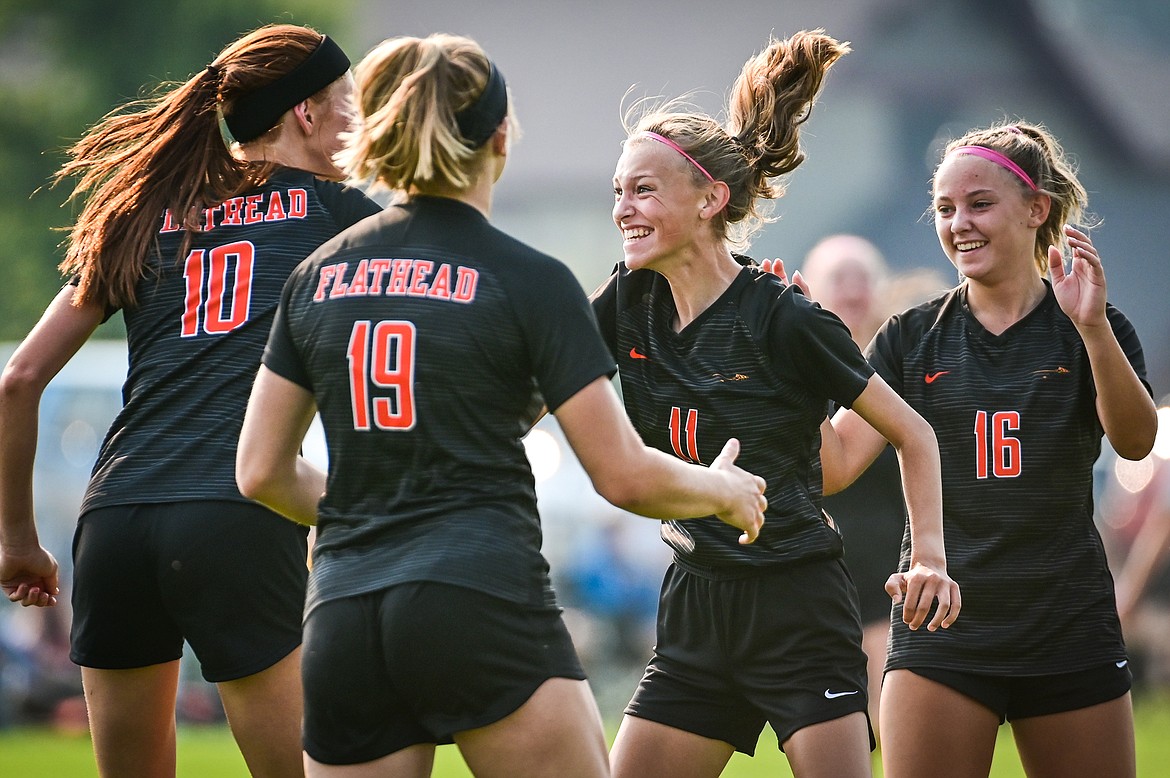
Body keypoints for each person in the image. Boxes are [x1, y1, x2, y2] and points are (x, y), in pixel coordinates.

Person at [233, 33, 767, 778]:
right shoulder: (530, 279)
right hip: (478, 595)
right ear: (499, 138)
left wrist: (369, 512)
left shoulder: (318, 274)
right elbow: (624, 478)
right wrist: (725, 489)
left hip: (345, 612)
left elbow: (259, 472)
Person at [0, 24, 382, 777]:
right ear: (306, 113)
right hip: (235, 510)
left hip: (113, 520)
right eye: (349, 103)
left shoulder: (144, 212)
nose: (356, 123)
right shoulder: (341, 213)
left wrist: (16, 540)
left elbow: (16, 381)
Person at [592, 31, 960, 778]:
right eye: (618, 192)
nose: (623, 209)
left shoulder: (785, 317)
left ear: (710, 200)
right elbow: (536, 375)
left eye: (643, 190)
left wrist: (929, 558)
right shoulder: (626, 302)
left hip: (797, 606)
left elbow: (915, 435)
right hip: (695, 602)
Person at [824, 120, 1158, 778]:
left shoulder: (1092, 324)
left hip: (1066, 621)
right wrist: (799, 366)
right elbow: (832, 466)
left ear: (1037, 210)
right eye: (945, 208)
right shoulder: (911, 337)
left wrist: (1091, 329)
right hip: (942, 625)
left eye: (980, 204)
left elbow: (1136, 440)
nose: (958, 224)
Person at [798, 234, 903, 736]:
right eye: (840, 279)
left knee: (888, 714)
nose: (855, 290)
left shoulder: (901, 369)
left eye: (864, 278)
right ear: (812, 291)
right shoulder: (790, 371)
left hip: (889, 573)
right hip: (819, 577)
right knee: (837, 728)